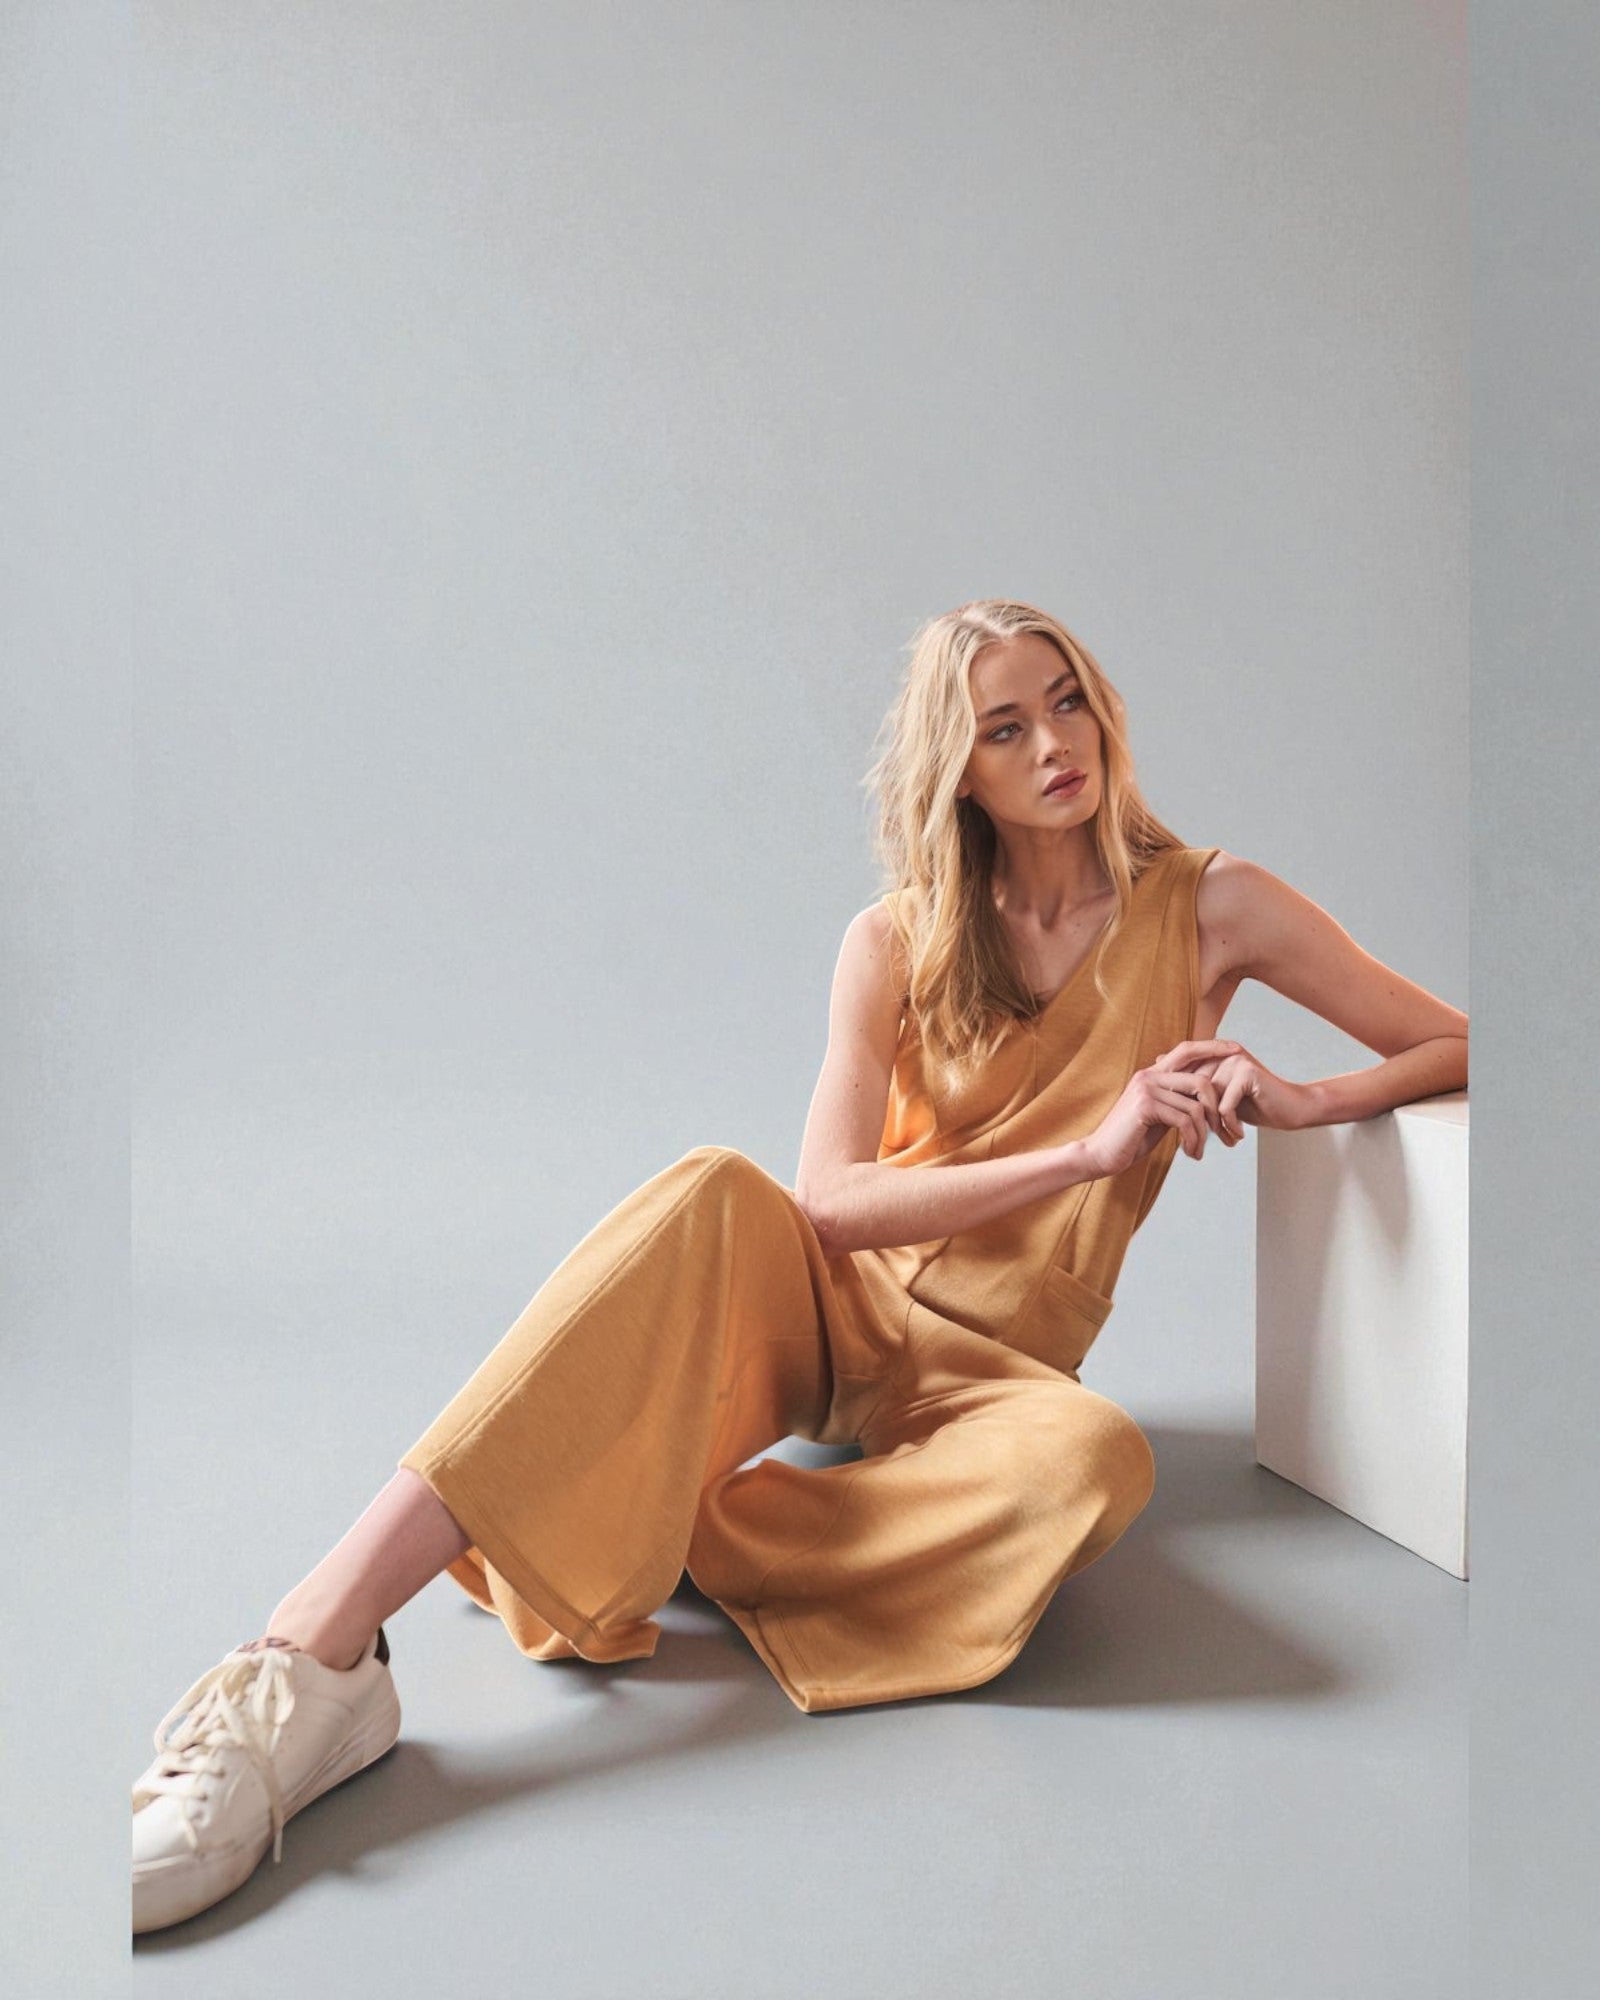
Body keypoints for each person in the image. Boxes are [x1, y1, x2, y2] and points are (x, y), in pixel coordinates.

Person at [131, 598, 1469, 1933]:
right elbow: (827, 1204)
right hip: (831, 1307)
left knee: (1096, 1462)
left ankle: (650, 1512)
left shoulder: (1214, 905)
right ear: (960, 767)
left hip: (997, 1375)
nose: (1057, 744)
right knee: (717, 1185)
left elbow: (1461, 1039)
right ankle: (310, 1658)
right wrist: (1088, 1151)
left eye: (1067, 701)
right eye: (1006, 728)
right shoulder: (895, 935)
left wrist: (1300, 1100)